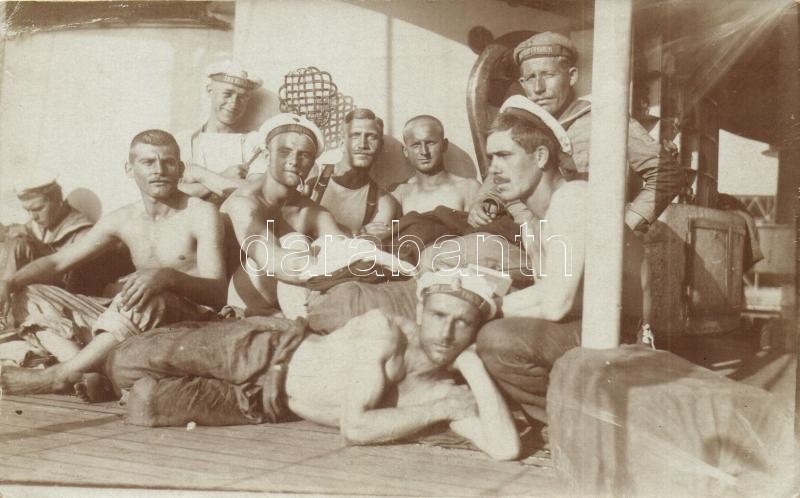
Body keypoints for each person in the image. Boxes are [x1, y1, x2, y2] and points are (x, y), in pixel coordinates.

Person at [105, 269, 520, 461]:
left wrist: (472, 364)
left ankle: (122, 377)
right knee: (123, 363)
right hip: (268, 349)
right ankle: (181, 325)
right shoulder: (387, 333)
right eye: (439, 316)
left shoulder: (443, 390)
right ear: (421, 311)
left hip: (266, 403)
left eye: (463, 324)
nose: (446, 333)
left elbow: (505, 449)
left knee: (144, 404)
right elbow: (355, 428)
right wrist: (442, 410)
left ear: (475, 330)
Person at [0, 130, 226, 395]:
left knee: (147, 292)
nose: (159, 170)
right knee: (28, 293)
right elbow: (58, 262)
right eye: (148, 162)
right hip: (134, 322)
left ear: (181, 169)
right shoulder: (125, 218)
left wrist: (168, 277)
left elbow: (217, 294)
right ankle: (88, 368)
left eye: (168, 162)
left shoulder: (201, 214)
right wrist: (8, 282)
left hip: (187, 320)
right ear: (129, 169)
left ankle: (61, 375)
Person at [473, 96, 646, 424]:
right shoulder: (535, 222)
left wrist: (481, 308)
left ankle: (573, 422)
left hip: (625, 339)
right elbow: (548, 293)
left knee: (496, 340)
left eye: (504, 155)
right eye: (491, 157)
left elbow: (554, 306)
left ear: (540, 157)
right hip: (592, 329)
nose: (493, 168)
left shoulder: (573, 199)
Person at [469, 31, 684, 233]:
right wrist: (486, 200)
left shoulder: (605, 120)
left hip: (584, 239)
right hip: (529, 239)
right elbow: (500, 174)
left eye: (548, 75)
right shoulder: (519, 125)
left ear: (571, 76)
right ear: (522, 84)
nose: (539, 88)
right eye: (531, 78)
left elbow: (667, 174)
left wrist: (626, 227)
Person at [221, 113, 351, 314]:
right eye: (285, 151)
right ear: (267, 156)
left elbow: (345, 252)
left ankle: (302, 320)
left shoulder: (311, 211)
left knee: (326, 248)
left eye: (304, 155)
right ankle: (305, 321)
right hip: (240, 301)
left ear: (312, 164)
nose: (294, 161)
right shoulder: (245, 202)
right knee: (295, 243)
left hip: (285, 293)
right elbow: (272, 261)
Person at [177, 61, 263, 202]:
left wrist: (199, 174)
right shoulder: (184, 140)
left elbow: (256, 193)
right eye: (227, 94)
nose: (234, 103)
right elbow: (172, 193)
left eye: (242, 97)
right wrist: (225, 177)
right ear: (210, 90)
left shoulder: (255, 143)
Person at [311, 108, 399, 240]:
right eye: (355, 135)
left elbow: (369, 247)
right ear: (342, 143)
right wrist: (358, 233)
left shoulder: (382, 202)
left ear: (381, 147)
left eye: (371, 137)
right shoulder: (314, 178)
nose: (363, 145)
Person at [0, 174, 93, 289]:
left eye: (38, 209)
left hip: (61, 294)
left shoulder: (83, 233)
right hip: (30, 287)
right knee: (12, 244)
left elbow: (70, 279)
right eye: (28, 210)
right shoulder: (38, 225)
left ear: (58, 200)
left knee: (18, 246)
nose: (33, 217)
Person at [391, 115, 480, 214]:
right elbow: (395, 224)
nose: (424, 151)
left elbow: (477, 223)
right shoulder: (401, 193)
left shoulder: (468, 189)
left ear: (444, 145)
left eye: (430, 143)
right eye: (416, 145)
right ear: (405, 151)